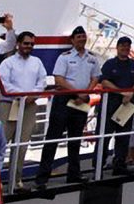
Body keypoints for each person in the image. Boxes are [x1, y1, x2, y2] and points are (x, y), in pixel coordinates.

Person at [35, 26, 100, 188]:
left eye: (83, 37)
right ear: (72, 40)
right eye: (78, 37)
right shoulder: (64, 57)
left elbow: (95, 78)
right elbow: (59, 80)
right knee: (53, 139)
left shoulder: (92, 58)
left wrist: (86, 93)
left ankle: (74, 174)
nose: (81, 39)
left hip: (82, 100)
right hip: (64, 100)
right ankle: (42, 178)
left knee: (75, 139)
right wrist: (78, 92)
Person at [0, 31, 46, 190]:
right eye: (26, 43)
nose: (28, 46)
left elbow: (42, 81)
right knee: (1, 144)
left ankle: (16, 181)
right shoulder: (7, 63)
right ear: (18, 44)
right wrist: (22, 96)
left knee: (22, 145)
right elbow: (4, 83)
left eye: (31, 44)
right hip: (9, 105)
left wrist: (33, 95)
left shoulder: (37, 62)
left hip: (30, 107)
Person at [97, 36, 134, 175]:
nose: (125, 48)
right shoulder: (109, 64)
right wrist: (122, 93)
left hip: (127, 106)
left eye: (127, 46)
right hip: (111, 105)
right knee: (104, 136)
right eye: (122, 45)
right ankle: (98, 165)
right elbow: (104, 81)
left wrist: (130, 93)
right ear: (117, 48)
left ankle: (119, 166)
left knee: (123, 137)